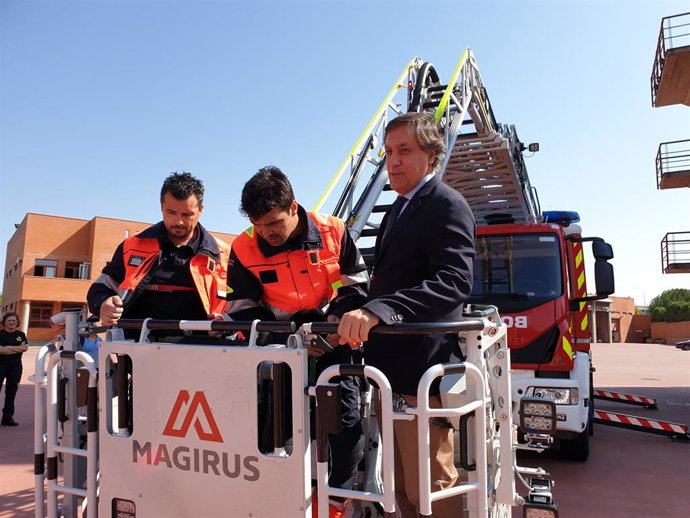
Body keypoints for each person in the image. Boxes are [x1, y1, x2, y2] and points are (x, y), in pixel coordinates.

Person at [337, 112, 476, 518]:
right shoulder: (396, 211)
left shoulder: (446, 204)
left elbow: (453, 280)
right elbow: (385, 283)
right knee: (401, 491)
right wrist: (345, 311)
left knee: (432, 492)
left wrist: (380, 310)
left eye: (405, 151)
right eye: (388, 152)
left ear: (431, 157)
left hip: (423, 375)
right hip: (391, 375)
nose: (392, 161)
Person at [225, 166, 369, 518]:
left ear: (293, 207)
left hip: (336, 344)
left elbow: (356, 285)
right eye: (259, 225)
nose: (266, 233)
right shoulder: (244, 247)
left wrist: (334, 324)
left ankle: (336, 502)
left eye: (273, 223)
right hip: (281, 350)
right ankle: (279, 500)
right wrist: (291, 338)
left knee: (346, 425)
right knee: (277, 426)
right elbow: (241, 309)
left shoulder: (334, 231)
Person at [87, 172, 231, 336]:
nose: (179, 221)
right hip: (137, 350)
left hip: (203, 350)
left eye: (187, 214)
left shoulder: (223, 255)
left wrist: (225, 321)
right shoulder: (132, 246)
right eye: (171, 212)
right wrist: (104, 303)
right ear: (161, 206)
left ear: (201, 210)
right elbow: (100, 288)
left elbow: (240, 307)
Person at [0, 312, 29, 426]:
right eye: (9, 320)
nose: (12, 322)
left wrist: (7, 347)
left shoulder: (21, 334)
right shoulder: (0, 334)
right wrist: (17, 348)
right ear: (4, 323)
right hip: (1, 365)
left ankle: (7, 418)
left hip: (15, 366)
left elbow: (25, 348)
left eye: (14, 320)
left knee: (11, 392)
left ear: (17, 322)